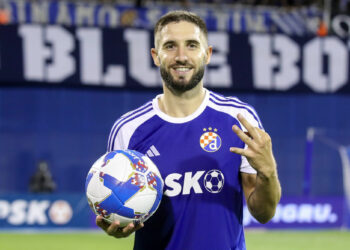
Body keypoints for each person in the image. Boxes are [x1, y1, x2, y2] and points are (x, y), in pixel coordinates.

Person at [96, 10, 281, 250]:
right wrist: (118, 225)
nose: (181, 56)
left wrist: (269, 172)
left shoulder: (239, 119)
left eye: (192, 45)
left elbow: (264, 213)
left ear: (207, 54)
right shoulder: (128, 129)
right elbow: (120, 212)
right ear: (155, 56)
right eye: (170, 46)